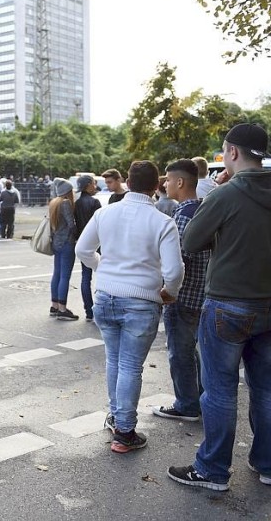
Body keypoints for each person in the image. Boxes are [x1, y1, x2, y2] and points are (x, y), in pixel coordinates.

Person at [168, 123, 271, 491]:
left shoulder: (227, 194)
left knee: (220, 389)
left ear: (231, 153)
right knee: (266, 389)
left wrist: (222, 193)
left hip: (228, 303)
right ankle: (267, 463)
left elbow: (193, 240)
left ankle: (212, 470)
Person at [76, 161, 183, 454]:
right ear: (155, 187)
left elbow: (82, 250)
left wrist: (102, 268)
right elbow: (174, 271)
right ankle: (124, 432)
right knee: (131, 366)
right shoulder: (162, 222)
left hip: (106, 297)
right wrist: (168, 292)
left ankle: (115, 417)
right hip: (142, 301)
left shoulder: (105, 213)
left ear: (129, 183)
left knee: (114, 360)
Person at [152, 159, 209, 423]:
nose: (164, 184)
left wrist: (165, 290)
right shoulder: (204, 209)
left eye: (167, 179)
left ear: (180, 182)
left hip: (183, 296)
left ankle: (187, 406)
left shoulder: (182, 217)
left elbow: (177, 261)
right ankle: (197, 396)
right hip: (202, 294)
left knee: (180, 352)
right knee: (191, 350)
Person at [49, 178, 78, 320]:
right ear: (67, 191)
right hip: (66, 242)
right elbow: (71, 224)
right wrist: (78, 234)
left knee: (57, 274)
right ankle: (62, 308)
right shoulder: (65, 203)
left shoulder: (54, 203)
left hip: (56, 243)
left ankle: (54, 306)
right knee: (65, 276)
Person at [73, 174, 101, 322]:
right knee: (101, 276)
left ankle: (88, 311)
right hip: (97, 243)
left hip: (83, 243)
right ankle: (99, 308)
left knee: (85, 278)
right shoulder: (95, 202)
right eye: (94, 183)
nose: (95, 186)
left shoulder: (77, 203)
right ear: (88, 185)